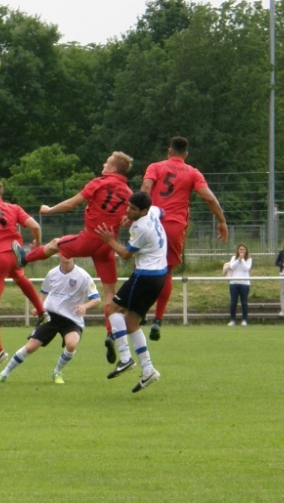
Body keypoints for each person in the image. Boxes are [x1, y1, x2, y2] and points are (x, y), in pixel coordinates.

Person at [14, 151, 134, 364]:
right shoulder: (128, 192)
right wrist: (124, 220)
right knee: (109, 293)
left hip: (90, 238)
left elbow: (71, 204)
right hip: (108, 245)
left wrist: (49, 210)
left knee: (55, 244)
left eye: (106, 163)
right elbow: (131, 217)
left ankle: (25, 258)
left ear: (113, 169)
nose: (103, 165)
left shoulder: (98, 183)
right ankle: (110, 333)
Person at [139, 136, 228, 342]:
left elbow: (145, 188)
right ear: (185, 155)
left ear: (169, 152)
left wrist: (138, 213)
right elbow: (209, 197)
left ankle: (141, 311)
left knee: (142, 267)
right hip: (174, 226)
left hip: (152, 222)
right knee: (166, 273)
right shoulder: (192, 172)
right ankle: (158, 320)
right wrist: (221, 220)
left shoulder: (156, 167)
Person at [0, 178, 47, 373]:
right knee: (19, 276)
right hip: (15, 252)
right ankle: (41, 311)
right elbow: (35, 226)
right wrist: (36, 243)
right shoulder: (14, 207)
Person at [0, 254, 102, 385]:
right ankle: (4, 374)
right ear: (59, 254)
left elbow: (97, 299)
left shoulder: (83, 276)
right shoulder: (52, 273)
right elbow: (44, 292)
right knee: (30, 347)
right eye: (64, 253)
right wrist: (39, 308)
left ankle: (57, 372)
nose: (67, 256)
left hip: (72, 319)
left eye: (70, 253)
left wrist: (85, 306)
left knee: (71, 344)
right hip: (51, 316)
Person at [96, 192, 167, 393]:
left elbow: (126, 255)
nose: (128, 210)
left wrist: (109, 240)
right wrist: (132, 217)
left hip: (145, 276)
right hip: (158, 276)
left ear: (143, 211)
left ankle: (126, 358)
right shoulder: (152, 211)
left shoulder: (140, 227)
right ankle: (148, 369)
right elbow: (162, 211)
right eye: (128, 206)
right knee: (132, 322)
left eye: (133, 209)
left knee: (113, 309)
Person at [223, 244, 252, 327]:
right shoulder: (233, 258)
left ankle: (244, 320)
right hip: (234, 283)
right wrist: (238, 259)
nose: (242, 251)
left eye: (243, 250)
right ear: (238, 250)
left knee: (244, 302)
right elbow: (232, 266)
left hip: (244, 283)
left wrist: (242, 259)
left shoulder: (249, 259)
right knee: (233, 302)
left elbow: (246, 268)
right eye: (240, 249)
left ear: (246, 251)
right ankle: (232, 320)